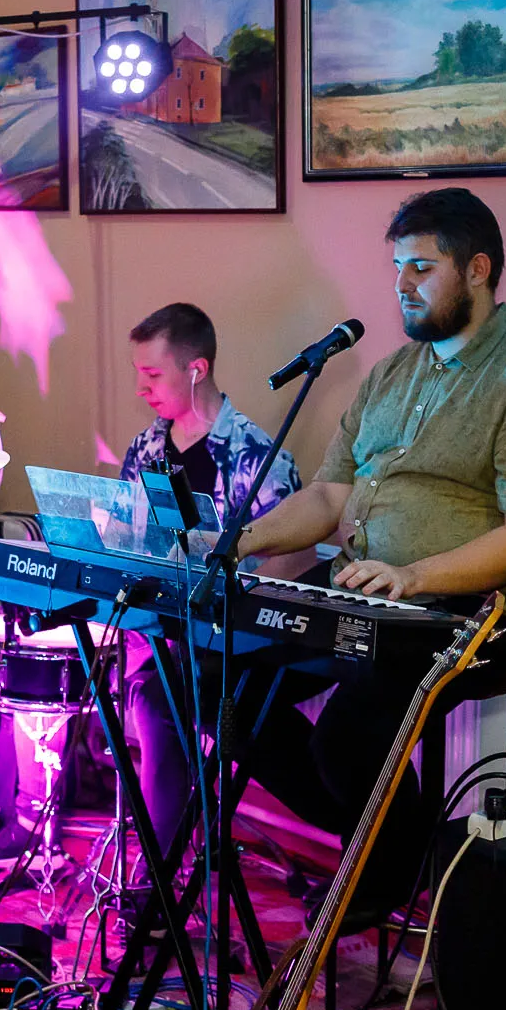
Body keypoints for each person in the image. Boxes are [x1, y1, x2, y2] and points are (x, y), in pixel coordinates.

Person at [240, 188, 506, 909]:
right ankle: (385, 845)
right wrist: (234, 542)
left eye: (421, 268)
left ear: (477, 270)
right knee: (231, 687)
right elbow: (329, 497)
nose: (401, 283)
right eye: (397, 266)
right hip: (370, 587)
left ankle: (382, 872)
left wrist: (412, 573)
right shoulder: (394, 372)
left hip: (484, 612)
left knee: (347, 735)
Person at [115, 303, 299, 858]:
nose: (142, 389)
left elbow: (287, 573)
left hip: (233, 647)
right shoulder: (147, 449)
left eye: (153, 375)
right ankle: (164, 864)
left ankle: (159, 875)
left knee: (159, 700)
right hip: (160, 635)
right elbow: (124, 542)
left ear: (196, 370)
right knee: (141, 688)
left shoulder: (257, 459)